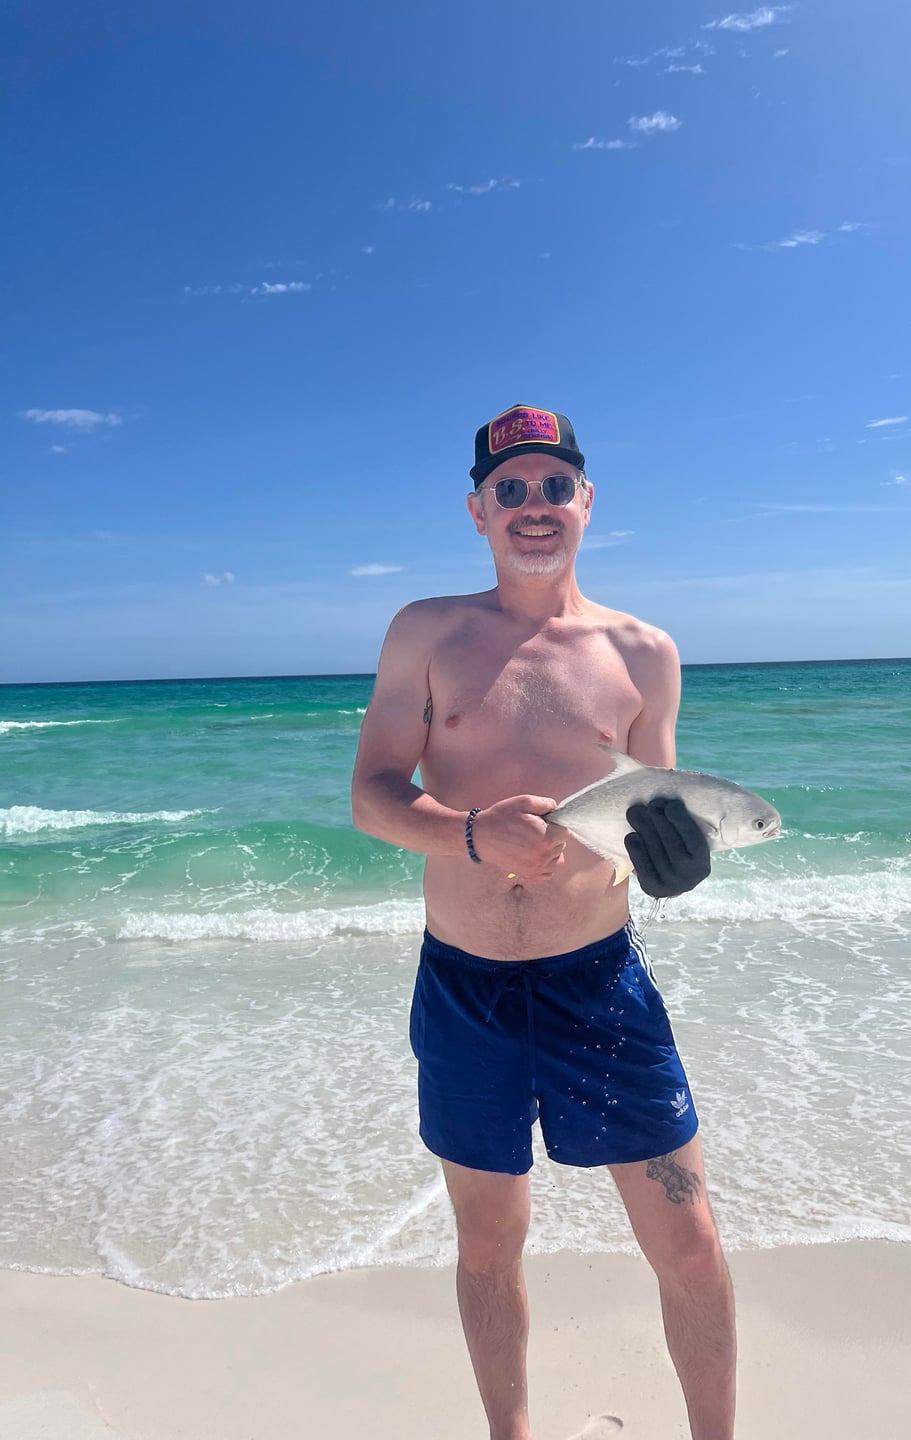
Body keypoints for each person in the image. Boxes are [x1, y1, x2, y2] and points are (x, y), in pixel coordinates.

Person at [351, 405, 736, 1439]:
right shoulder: (425, 632)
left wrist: (679, 865)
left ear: (587, 502)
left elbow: (653, 816)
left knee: (690, 1242)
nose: (534, 505)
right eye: (509, 488)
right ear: (477, 511)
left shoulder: (644, 652)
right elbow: (374, 796)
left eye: (554, 486)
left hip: (598, 983)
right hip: (465, 987)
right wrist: (472, 833)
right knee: (489, 1243)